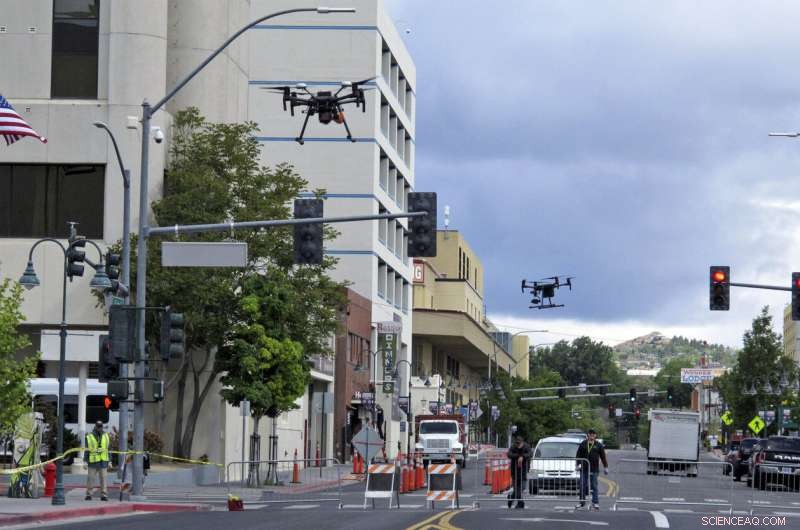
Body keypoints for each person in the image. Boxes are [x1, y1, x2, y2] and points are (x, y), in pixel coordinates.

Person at [575, 429, 609, 510]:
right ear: (588, 435)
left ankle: (595, 503)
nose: (592, 436)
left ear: (595, 435)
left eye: (593, 434)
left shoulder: (599, 445)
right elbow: (578, 455)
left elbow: (603, 457)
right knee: (582, 485)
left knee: (594, 486)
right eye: (590, 434)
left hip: (594, 469)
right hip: (584, 468)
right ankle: (581, 502)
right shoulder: (583, 444)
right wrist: (578, 464)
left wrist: (606, 467)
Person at [84, 420, 110, 501]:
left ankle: (104, 495)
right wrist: (85, 461)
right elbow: (87, 449)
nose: (99, 428)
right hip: (93, 461)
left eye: (100, 426)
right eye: (98, 426)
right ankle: (89, 494)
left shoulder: (106, 436)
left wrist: (110, 461)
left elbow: (108, 449)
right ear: (95, 426)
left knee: (103, 479)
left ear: (102, 427)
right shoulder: (89, 436)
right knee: (91, 479)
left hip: (103, 461)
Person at [507, 435, 532, 509]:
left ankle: (511, 497)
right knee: (516, 488)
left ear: (522, 442)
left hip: (523, 471)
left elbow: (530, 454)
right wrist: (518, 456)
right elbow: (509, 454)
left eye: (519, 443)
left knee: (522, 488)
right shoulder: (513, 446)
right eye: (517, 443)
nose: (518, 445)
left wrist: (523, 456)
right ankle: (520, 503)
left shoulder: (526, 446)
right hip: (515, 471)